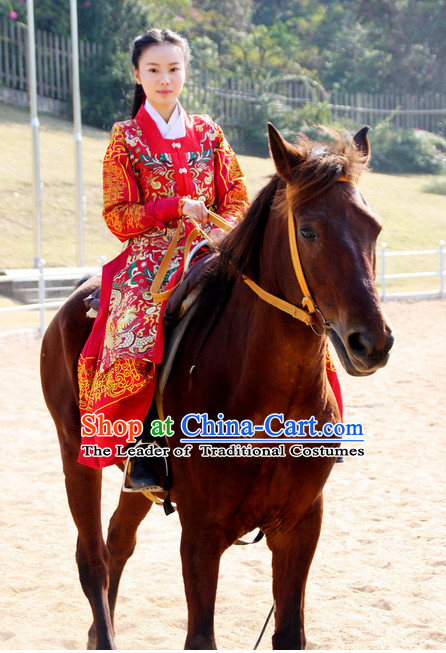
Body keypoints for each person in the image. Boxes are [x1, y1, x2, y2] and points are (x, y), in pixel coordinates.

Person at [77, 28, 250, 490]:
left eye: (174, 68)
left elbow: (236, 193)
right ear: (137, 74)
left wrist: (221, 226)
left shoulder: (209, 132)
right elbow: (118, 215)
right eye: (153, 69)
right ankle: (141, 452)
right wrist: (170, 207)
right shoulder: (126, 139)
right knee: (134, 329)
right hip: (152, 254)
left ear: (185, 72)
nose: (165, 79)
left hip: (212, 243)